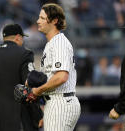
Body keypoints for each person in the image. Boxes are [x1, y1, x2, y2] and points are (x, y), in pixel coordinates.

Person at [0, 24, 43, 131]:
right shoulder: (24, 54)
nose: (22, 41)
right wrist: (38, 114)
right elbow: (29, 84)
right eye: (22, 38)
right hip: (17, 120)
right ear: (17, 37)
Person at [29, 3, 81, 131]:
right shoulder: (51, 43)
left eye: (42, 18)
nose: (38, 21)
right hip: (56, 102)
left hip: (61, 102)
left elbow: (62, 76)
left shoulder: (59, 43)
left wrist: (38, 90)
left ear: (54, 21)